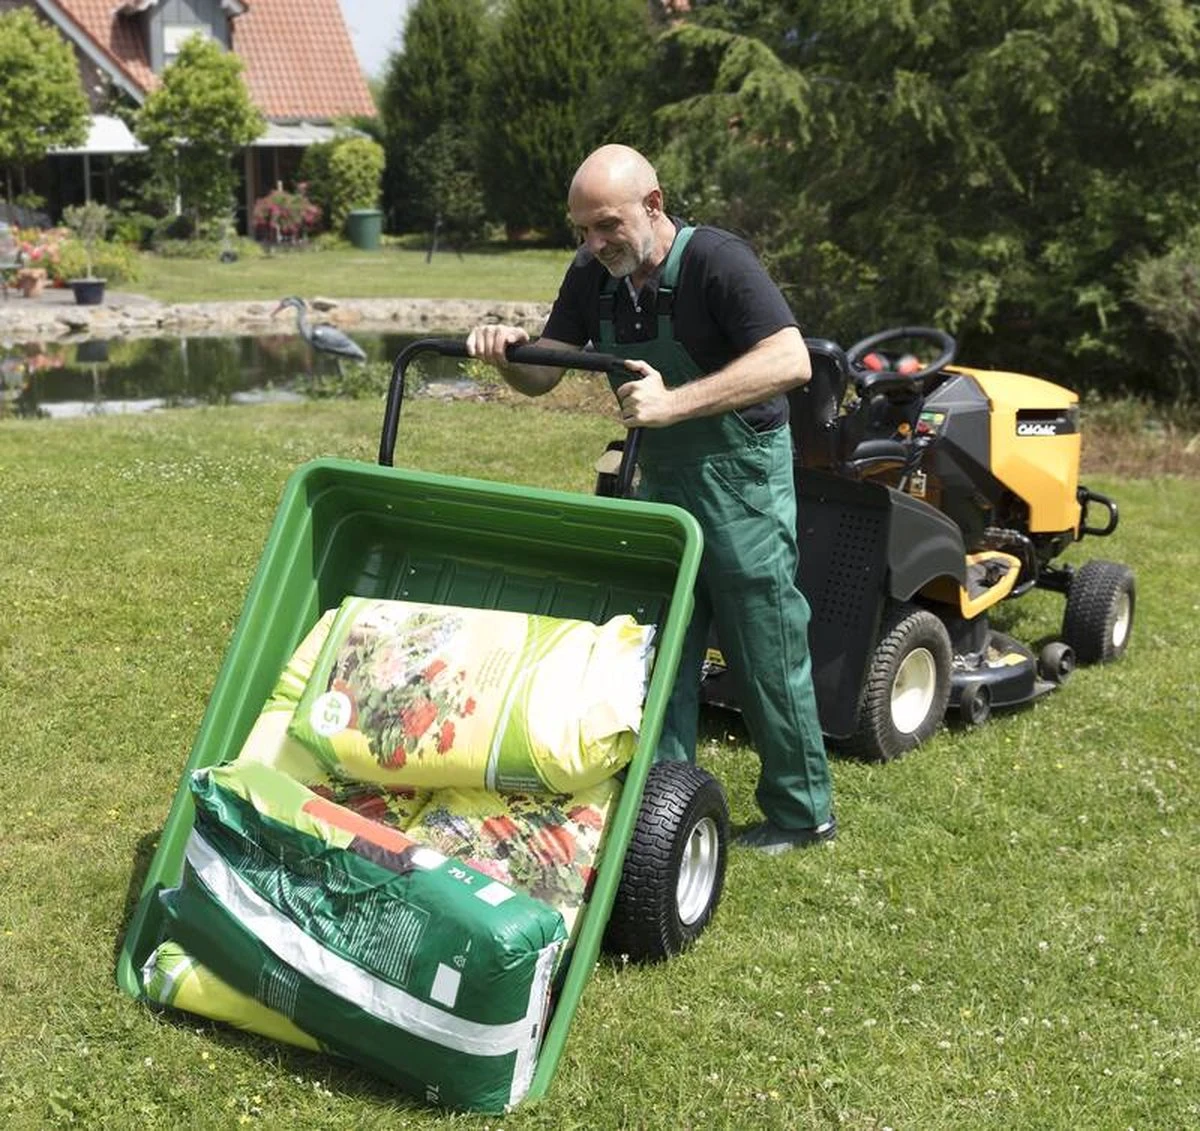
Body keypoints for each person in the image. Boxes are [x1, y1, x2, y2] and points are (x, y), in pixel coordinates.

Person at [466, 143, 834, 854]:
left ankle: (801, 811)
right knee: (658, 645)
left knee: (764, 646)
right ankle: (665, 805)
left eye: (606, 225)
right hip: (660, 483)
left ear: (654, 204)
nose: (594, 243)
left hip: (742, 478)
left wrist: (673, 404)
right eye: (582, 230)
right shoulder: (592, 276)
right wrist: (512, 355)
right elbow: (546, 374)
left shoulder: (717, 263)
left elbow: (791, 359)